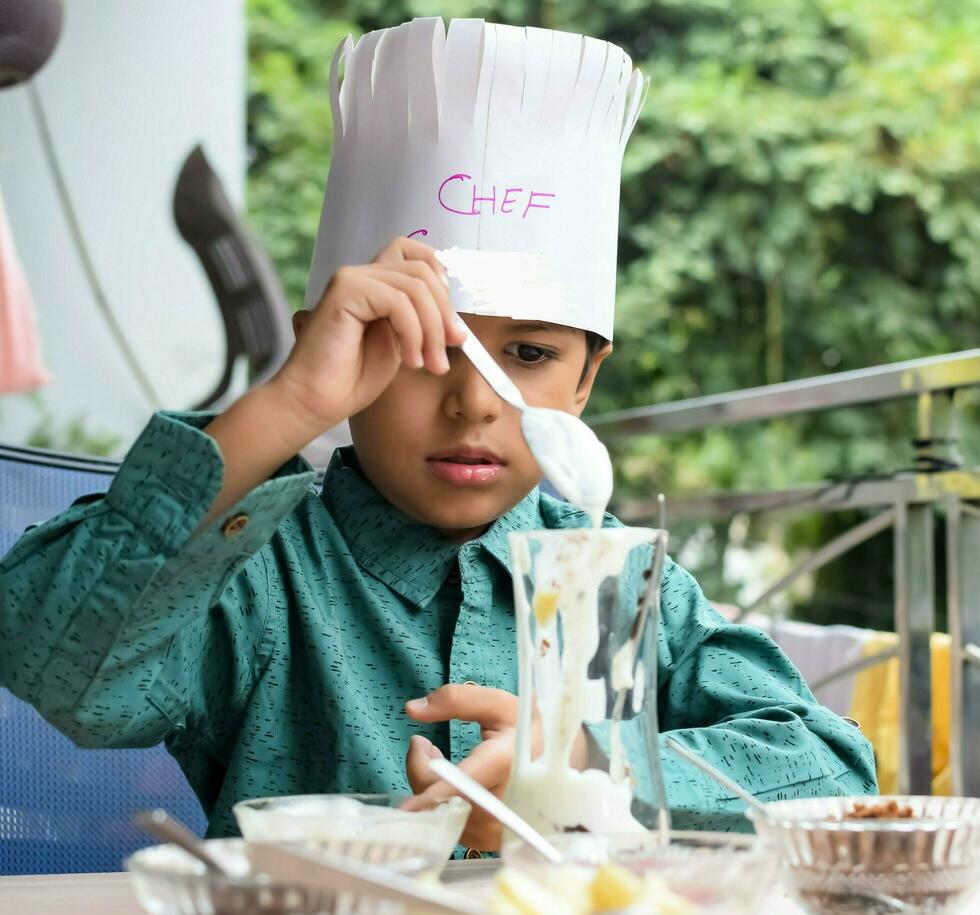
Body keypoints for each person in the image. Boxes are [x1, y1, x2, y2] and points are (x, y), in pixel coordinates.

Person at [0, 18, 875, 853]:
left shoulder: (618, 587)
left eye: (529, 354)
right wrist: (289, 401)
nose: (473, 404)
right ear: (336, 351)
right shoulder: (262, 574)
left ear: (583, 381)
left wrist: (582, 768)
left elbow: (833, 774)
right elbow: (49, 659)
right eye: (423, 348)